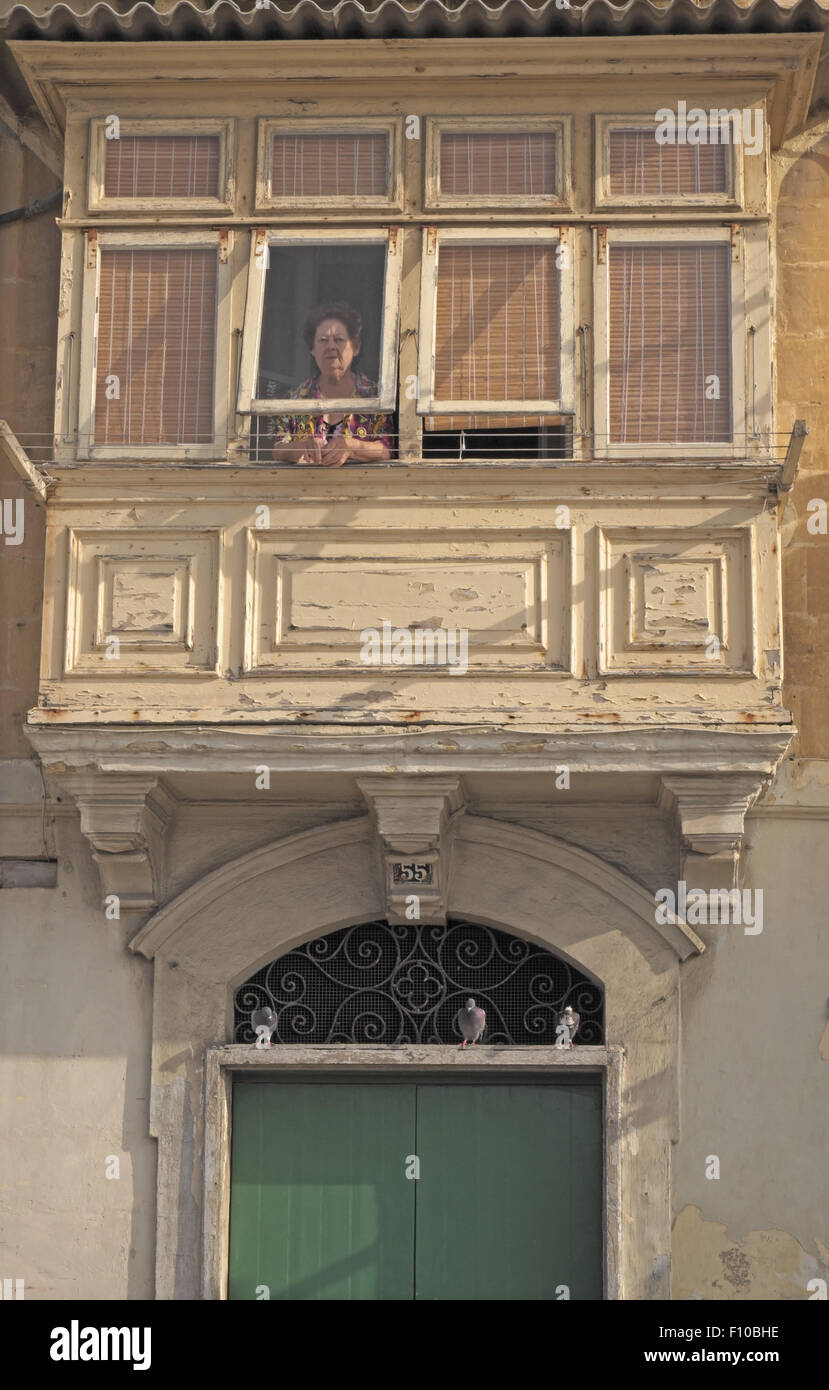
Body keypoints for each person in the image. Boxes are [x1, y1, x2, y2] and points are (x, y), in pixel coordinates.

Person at [266, 301, 393, 466]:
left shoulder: (375, 396)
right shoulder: (295, 398)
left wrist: (351, 447)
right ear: (313, 349)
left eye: (339, 339)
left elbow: (388, 449)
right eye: (323, 340)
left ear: (356, 347)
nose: (331, 346)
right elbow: (278, 449)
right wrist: (302, 446)